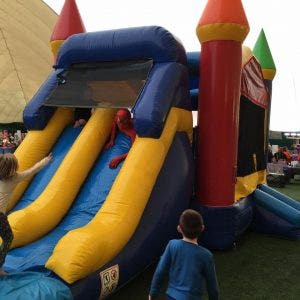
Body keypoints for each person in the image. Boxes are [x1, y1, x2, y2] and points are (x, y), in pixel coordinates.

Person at [149, 209, 219, 300]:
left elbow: (160, 271)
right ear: (202, 228)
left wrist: (153, 293)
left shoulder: (172, 245)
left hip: (171, 296)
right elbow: (212, 286)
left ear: (179, 228)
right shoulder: (206, 255)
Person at [0, 153, 52, 275]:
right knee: (8, 238)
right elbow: (32, 171)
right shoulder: (14, 178)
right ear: (13, 168)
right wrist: (46, 160)